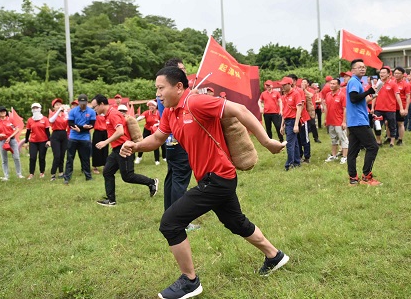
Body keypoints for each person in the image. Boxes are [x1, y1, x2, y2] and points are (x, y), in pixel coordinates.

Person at [120, 66, 289, 299]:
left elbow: (239, 110)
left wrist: (267, 141)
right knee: (235, 222)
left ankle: (190, 281)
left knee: (170, 222)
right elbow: (158, 138)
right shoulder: (171, 112)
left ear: (178, 87)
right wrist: (136, 145)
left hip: (218, 178)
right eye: (156, 89)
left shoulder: (196, 103)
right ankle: (275, 256)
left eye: (161, 88)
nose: (157, 93)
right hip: (213, 178)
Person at [91, 95, 158, 206]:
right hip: (116, 149)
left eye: (95, 107)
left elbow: (120, 131)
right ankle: (111, 200)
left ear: (102, 104)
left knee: (128, 176)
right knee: (107, 172)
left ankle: (152, 182)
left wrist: (105, 142)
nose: (94, 109)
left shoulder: (113, 114)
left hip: (124, 148)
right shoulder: (108, 115)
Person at [159, 58, 199, 232]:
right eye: (181, 70)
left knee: (172, 178)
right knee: (180, 181)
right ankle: (180, 219)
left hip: (170, 141)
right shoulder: (170, 97)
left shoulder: (163, 94)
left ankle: (169, 213)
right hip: (179, 139)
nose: (185, 73)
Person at [346, 59, 381, 186]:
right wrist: (368, 91)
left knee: (353, 152)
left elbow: (358, 101)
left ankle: (353, 179)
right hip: (359, 121)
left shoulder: (356, 82)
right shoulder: (354, 81)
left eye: (364, 67)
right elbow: (354, 98)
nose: (362, 69)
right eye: (359, 67)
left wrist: (370, 96)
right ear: (353, 70)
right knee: (373, 146)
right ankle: (366, 177)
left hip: (355, 120)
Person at [63, 94, 96, 185]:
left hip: (85, 137)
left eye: (84, 102)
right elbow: (70, 123)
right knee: (70, 158)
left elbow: (92, 124)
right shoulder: (73, 111)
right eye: (81, 103)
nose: (82, 104)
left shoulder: (91, 112)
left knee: (85, 158)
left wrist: (81, 128)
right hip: (73, 137)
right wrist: (80, 127)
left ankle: (88, 176)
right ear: (78, 102)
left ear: (87, 102)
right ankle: (67, 177)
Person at [371, 66, 402, 147]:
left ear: (388, 74)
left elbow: (397, 96)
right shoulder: (377, 84)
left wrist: (401, 108)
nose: (382, 74)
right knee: (377, 126)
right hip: (379, 109)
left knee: (392, 125)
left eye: (384, 73)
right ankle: (379, 141)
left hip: (390, 109)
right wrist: (372, 108)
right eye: (380, 73)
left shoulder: (393, 84)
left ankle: (392, 142)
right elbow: (374, 96)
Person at [0, 106, 23, 181]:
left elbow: (17, 129)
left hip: (12, 140)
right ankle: (6, 175)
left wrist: (10, 136)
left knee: (16, 157)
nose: (3, 113)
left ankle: (19, 174)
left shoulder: (11, 119)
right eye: (1, 111)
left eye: (4, 111)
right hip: (2, 141)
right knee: (4, 159)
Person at [279, 76, 303, 170]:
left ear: (290, 84)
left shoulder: (296, 94)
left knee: (289, 143)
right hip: (288, 121)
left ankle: (289, 164)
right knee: (295, 143)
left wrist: (296, 124)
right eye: (282, 85)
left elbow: (299, 108)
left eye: (284, 85)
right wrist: (282, 125)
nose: (283, 87)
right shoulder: (285, 96)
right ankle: (297, 162)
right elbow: (285, 112)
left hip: (293, 121)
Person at [323, 78, 348, 164]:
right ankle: (333, 155)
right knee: (333, 140)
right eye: (331, 83)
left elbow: (345, 109)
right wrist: (326, 119)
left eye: (334, 84)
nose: (331, 85)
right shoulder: (328, 95)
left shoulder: (342, 95)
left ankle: (345, 157)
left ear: (338, 85)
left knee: (343, 139)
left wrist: (344, 121)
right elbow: (326, 108)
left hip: (339, 121)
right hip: (331, 121)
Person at [24, 103, 51, 179]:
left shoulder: (45, 119)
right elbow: (28, 131)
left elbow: (47, 131)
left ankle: (42, 172)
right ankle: (31, 173)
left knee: (42, 158)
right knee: (32, 157)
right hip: (33, 141)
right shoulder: (30, 120)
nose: (35, 109)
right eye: (34, 108)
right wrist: (26, 141)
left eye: (37, 108)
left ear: (40, 109)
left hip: (43, 141)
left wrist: (49, 140)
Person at [136, 100, 165, 165]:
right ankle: (139, 157)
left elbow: (163, 121)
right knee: (142, 143)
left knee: (157, 143)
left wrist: (157, 124)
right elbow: (141, 117)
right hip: (147, 130)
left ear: (155, 106)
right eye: (150, 105)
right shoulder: (146, 112)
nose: (151, 107)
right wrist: (136, 120)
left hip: (156, 130)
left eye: (153, 105)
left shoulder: (158, 113)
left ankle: (157, 160)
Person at [49, 98, 68, 181]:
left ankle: (61, 172)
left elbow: (69, 120)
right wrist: (58, 111)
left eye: (60, 104)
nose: (59, 106)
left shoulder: (64, 114)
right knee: (57, 155)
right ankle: (53, 173)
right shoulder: (52, 114)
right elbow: (51, 120)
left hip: (64, 134)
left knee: (62, 155)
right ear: (54, 107)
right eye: (57, 105)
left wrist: (66, 111)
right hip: (55, 135)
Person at [393, 67, 411, 146]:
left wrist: (406, 109)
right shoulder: (392, 82)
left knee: (400, 123)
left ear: (403, 75)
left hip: (401, 107)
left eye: (398, 73)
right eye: (395, 73)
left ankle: (400, 139)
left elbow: (408, 97)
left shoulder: (406, 84)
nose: (396, 75)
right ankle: (390, 138)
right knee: (388, 123)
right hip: (391, 106)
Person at [91, 106, 108, 175]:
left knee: (105, 149)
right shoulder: (95, 114)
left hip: (105, 132)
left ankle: (105, 165)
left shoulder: (106, 114)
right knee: (96, 148)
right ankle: (95, 166)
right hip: (97, 132)